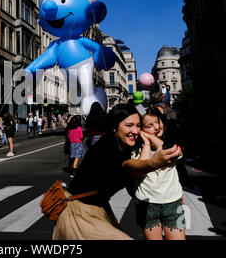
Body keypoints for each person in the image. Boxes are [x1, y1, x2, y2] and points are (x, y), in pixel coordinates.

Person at [53, 103, 182, 240]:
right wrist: (154, 163)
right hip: (79, 212)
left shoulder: (124, 144)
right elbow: (129, 167)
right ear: (115, 127)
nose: (135, 131)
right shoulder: (107, 148)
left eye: (138, 126)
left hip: (97, 208)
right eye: (129, 125)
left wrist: (147, 137)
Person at [132, 107, 185, 240]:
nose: (156, 127)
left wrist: (149, 135)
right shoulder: (137, 149)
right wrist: (146, 143)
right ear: (141, 129)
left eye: (157, 121)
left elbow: (173, 153)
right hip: (146, 203)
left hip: (173, 203)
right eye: (149, 126)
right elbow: (140, 169)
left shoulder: (169, 143)